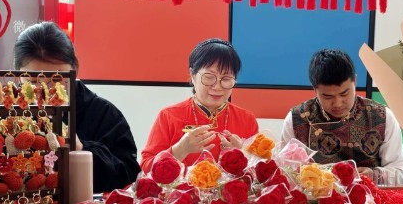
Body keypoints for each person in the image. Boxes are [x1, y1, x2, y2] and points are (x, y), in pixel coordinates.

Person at [14, 22, 141, 194]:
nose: (45, 90)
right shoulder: (2, 113)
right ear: (17, 75)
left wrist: (81, 148)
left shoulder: (103, 113)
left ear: (75, 69)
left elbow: (129, 178)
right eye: (32, 81)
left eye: (57, 79)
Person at [281, 49, 403, 184]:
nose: (338, 103)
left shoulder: (381, 116)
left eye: (344, 93)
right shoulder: (297, 119)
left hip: (370, 195)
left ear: (355, 81)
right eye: (327, 96)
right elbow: (284, 172)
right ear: (315, 89)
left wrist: (374, 175)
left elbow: (401, 174)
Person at [141, 38, 258, 170]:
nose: (217, 87)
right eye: (209, 77)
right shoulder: (169, 116)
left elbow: (260, 174)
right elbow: (145, 167)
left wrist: (244, 155)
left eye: (226, 79)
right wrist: (179, 150)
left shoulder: (247, 119)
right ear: (193, 75)